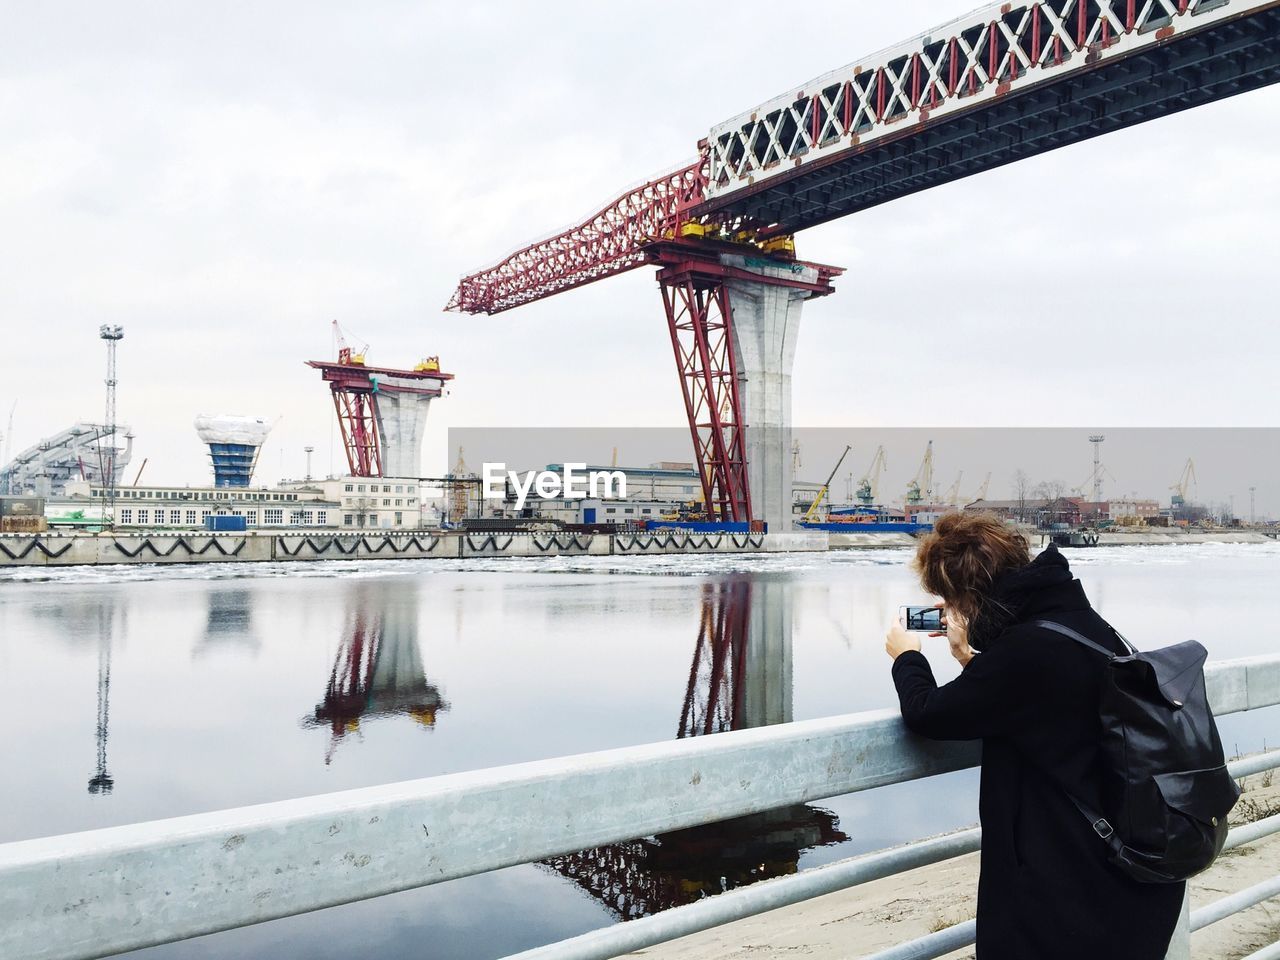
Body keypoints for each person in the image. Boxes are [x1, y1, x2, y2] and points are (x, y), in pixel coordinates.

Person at [883, 512, 1184, 960]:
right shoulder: (1077, 622)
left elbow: (930, 715)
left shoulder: (1026, 651)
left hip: (1071, 894)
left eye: (947, 599)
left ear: (966, 594)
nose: (947, 611)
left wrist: (906, 656)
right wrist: (971, 659)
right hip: (1127, 880)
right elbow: (1038, 707)